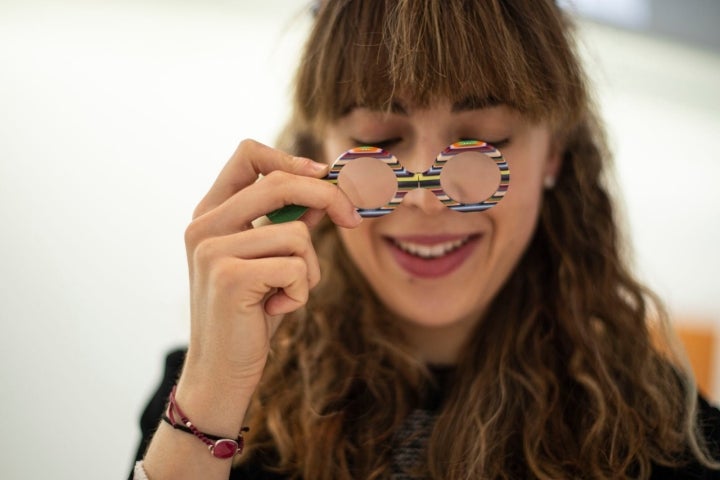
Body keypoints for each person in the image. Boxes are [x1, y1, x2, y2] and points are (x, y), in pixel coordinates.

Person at [130, 1, 720, 479]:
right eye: (379, 139)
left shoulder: (671, 439)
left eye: (483, 140)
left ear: (554, 156)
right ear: (316, 158)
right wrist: (210, 400)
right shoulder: (205, 401)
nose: (424, 196)